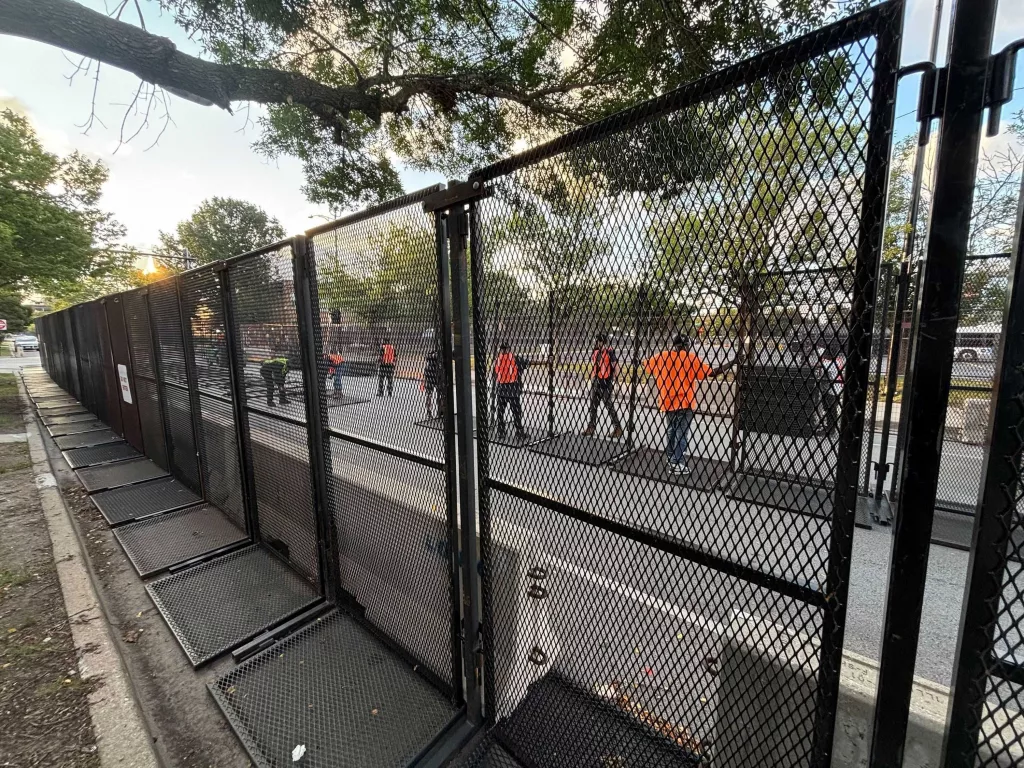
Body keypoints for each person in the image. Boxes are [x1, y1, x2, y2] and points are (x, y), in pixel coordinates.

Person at [644, 334, 734, 475]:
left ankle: (670, 457)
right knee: (681, 433)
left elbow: (646, 365)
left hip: (667, 401)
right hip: (684, 402)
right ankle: (677, 463)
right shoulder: (690, 358)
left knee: (671, 430)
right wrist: (733, 362)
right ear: (686, 345)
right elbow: (711, 373)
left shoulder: (662, 356)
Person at [583, 332, 623, 439]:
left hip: (606, 382)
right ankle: (591, 427)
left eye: (597, 341)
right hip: (596, 381)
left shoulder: (609, 351)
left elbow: (615, 365)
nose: (596, 342)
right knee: (593, 405)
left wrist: (616, 379)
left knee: (608, 405)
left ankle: (618, 428)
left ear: (602, 341)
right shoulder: (595, 352)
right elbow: (594, 365)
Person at [493, 341, 529, 439]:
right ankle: (519, 432)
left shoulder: (498, 359)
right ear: (509, 349)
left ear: (501, 349)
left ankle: (501, 432)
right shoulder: (514, 358)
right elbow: (527, 363)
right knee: (516, 412)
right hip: (513, 390)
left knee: (500, 412)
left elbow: (495, 374)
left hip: (501, 389)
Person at [817, 347, 845, 434]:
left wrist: (821, 358)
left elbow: (819, 365)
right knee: (828, 408)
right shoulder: (838, 360)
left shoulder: (832, 363)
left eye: (826, 355)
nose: (825, 356)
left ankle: (831, 429)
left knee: (831, 409)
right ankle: (829, 426)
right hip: (832, 388)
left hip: (833, 390)